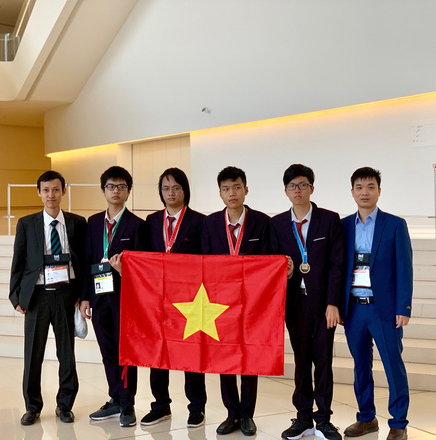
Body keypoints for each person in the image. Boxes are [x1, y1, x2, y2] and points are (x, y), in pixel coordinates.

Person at [270, 164, 344, 440]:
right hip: (294, 303)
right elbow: (271, 263)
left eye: (303, 185)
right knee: (301, 361)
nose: (297, 190)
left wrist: (333, 303)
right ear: (286, 191)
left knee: (323, 361)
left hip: (324, 304)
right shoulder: (277, 224)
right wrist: (286, 272)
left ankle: (323, 420)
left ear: (312, 188)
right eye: (292, 186)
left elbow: (337, 264)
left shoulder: (329, 220)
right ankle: (302, 418)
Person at [9, 170, 87, 426]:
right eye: (45, 190)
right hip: (37, 297)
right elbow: (18, 262)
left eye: (55, 190)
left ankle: (65, 405)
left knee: (67, 354)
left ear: (63, 191)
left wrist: (82, 294)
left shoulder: (77, 223)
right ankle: (32, 407)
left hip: (66, 295)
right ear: (39, 193)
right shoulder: (27, 224)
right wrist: (16, 297)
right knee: (33, 354)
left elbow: (84, 261)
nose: (51, 195)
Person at [341, 167, 413, 440]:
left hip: (384, 309)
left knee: (393, 365)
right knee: (360, 366)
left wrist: (403, 307)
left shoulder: (394, 225)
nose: (365, 192)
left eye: (370, 187)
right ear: (352, 192)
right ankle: (366, 418)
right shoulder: (343, 226)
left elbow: (405, 268)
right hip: (354, 308)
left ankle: (398, 422)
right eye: (359, 187)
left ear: (379, 191)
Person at [202, 166, 270, 437]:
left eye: (237, 187)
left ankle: (247, 415)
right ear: (220, 193)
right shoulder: (210, 224)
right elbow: (203, 264)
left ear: (246, 189)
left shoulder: (262, 222)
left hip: (253, 304)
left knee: (249, 358)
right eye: (226, 189)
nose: (232, 193)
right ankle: (232, 413)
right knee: (225, 359)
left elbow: (269, 261)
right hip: (220, 305)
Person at [140, 168, 208, 428]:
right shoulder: (151, 221)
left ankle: (197, 407)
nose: (171, 193)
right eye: (166, 188)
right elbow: (144, 258)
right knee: (158, 352)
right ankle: (160, 406)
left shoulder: (200, 221)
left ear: (185, 191)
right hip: (158, 299)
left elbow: (207, 262)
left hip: (191, 299)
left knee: (191, 354)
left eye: (176, 188)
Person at [80, 166, 143, 427]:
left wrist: (123, 270)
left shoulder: (137, 225)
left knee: (125, 353)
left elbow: (143, 267)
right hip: (98, 298)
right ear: (103, 190)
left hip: (125, 300)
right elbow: (87, 259)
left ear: (128, 191)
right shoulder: (93, 222)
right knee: (107, 351)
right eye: (110, 186)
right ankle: (115, 398)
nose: (115, 191)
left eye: (121, 186)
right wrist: (84, 297)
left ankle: (128, 404)